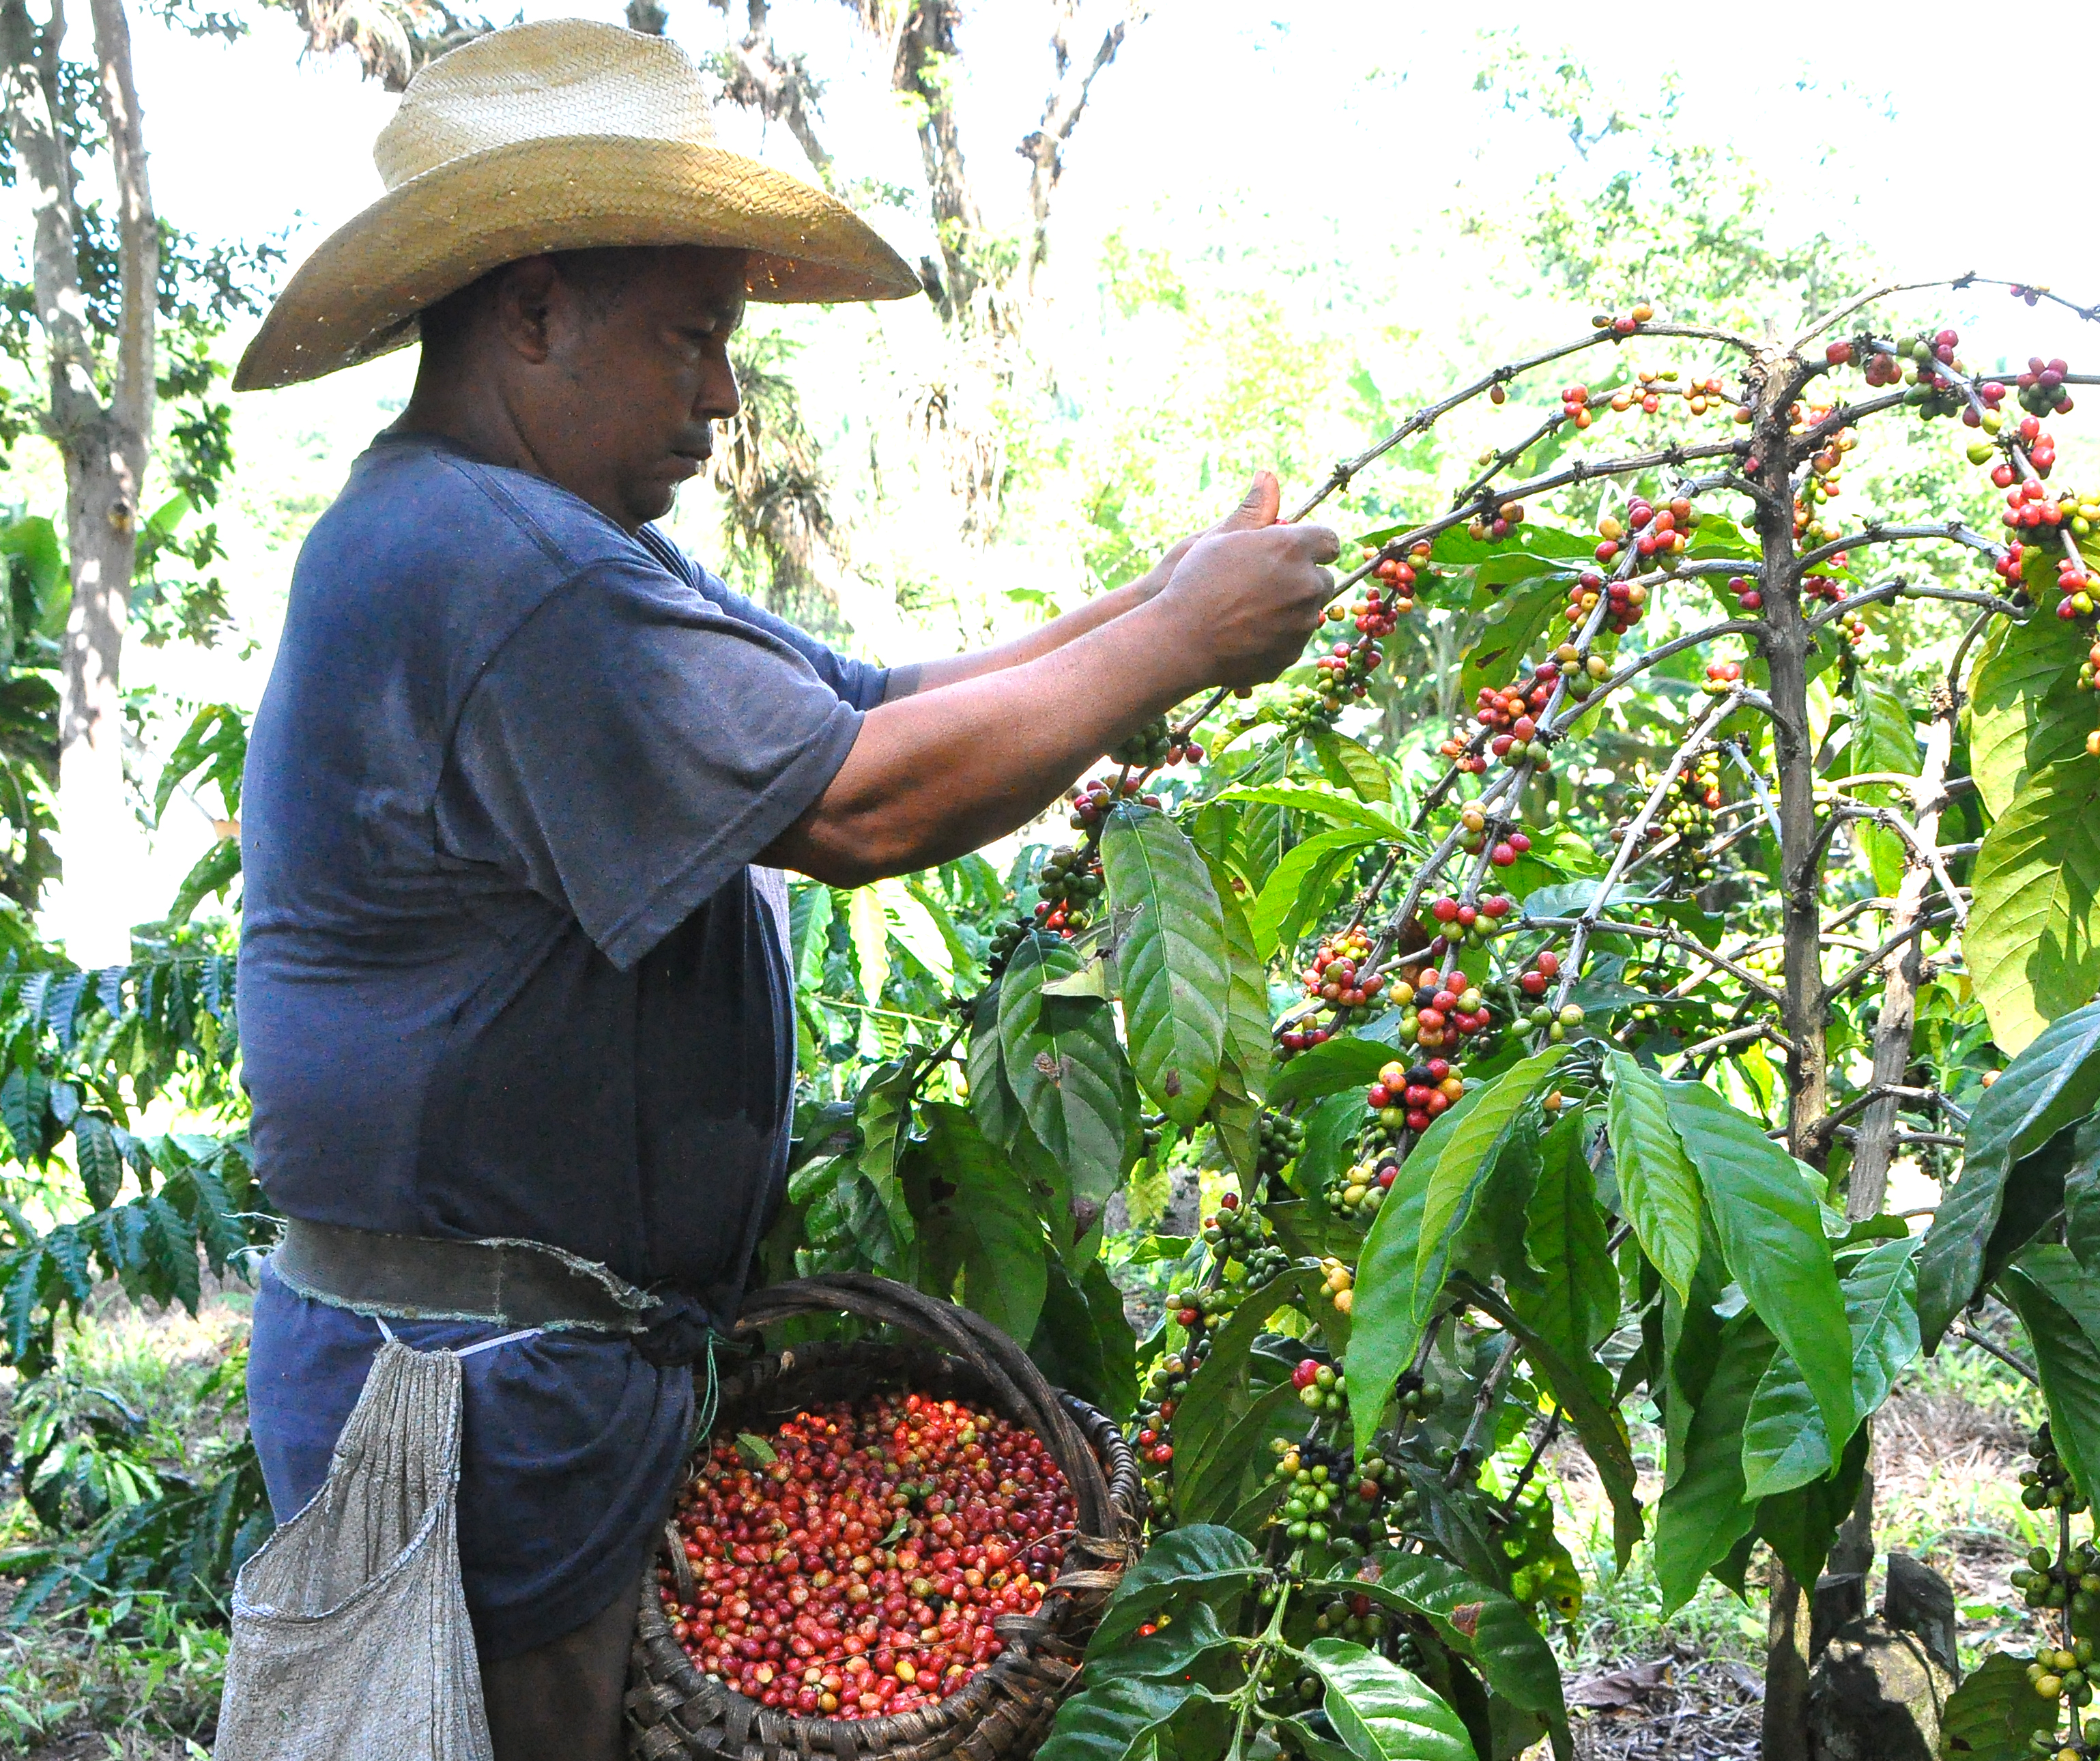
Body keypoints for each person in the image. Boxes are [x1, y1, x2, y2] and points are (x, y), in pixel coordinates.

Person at [229, 19, 1336, 1758]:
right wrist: (1185, 639)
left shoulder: (534, 539)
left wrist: (1160, 606)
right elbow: (862, 808)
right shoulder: (493, 561)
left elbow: (870, 706)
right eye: (694, 339)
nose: (721, 398)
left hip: (517, 1375)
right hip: (472, 1398)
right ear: (533, 314)